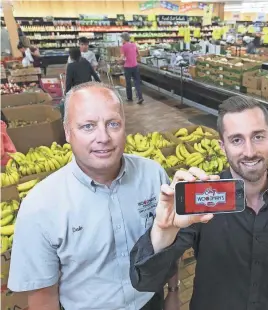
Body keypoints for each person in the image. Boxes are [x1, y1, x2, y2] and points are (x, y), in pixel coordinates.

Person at [130, 96, 268, 310]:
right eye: (236, 140)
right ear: (222, 146)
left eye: (258, 137)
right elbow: (144, 280)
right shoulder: (202, 200)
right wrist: (164, 231)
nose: (249, 151)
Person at [7, 82, 179, 310]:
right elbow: (43, 295)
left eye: (113, 124)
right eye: (88, 126)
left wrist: (174, 291)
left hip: (151, 302)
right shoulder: (40, 206)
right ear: (67, 132)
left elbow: (169, 244)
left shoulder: (152, 174)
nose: (103, 137)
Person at [120, 32, 143, 104]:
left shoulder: (123, 47)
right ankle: (140, 97)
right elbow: (138, 54)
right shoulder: (134, 44)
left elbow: (122, 57)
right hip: (135, 66)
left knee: (128, 82)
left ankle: (129, 98)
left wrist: (117, 60)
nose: (121, 40)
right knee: (137, 82)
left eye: (121, 39)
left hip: (127, 67)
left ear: (124, 39)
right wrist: (133, 58)